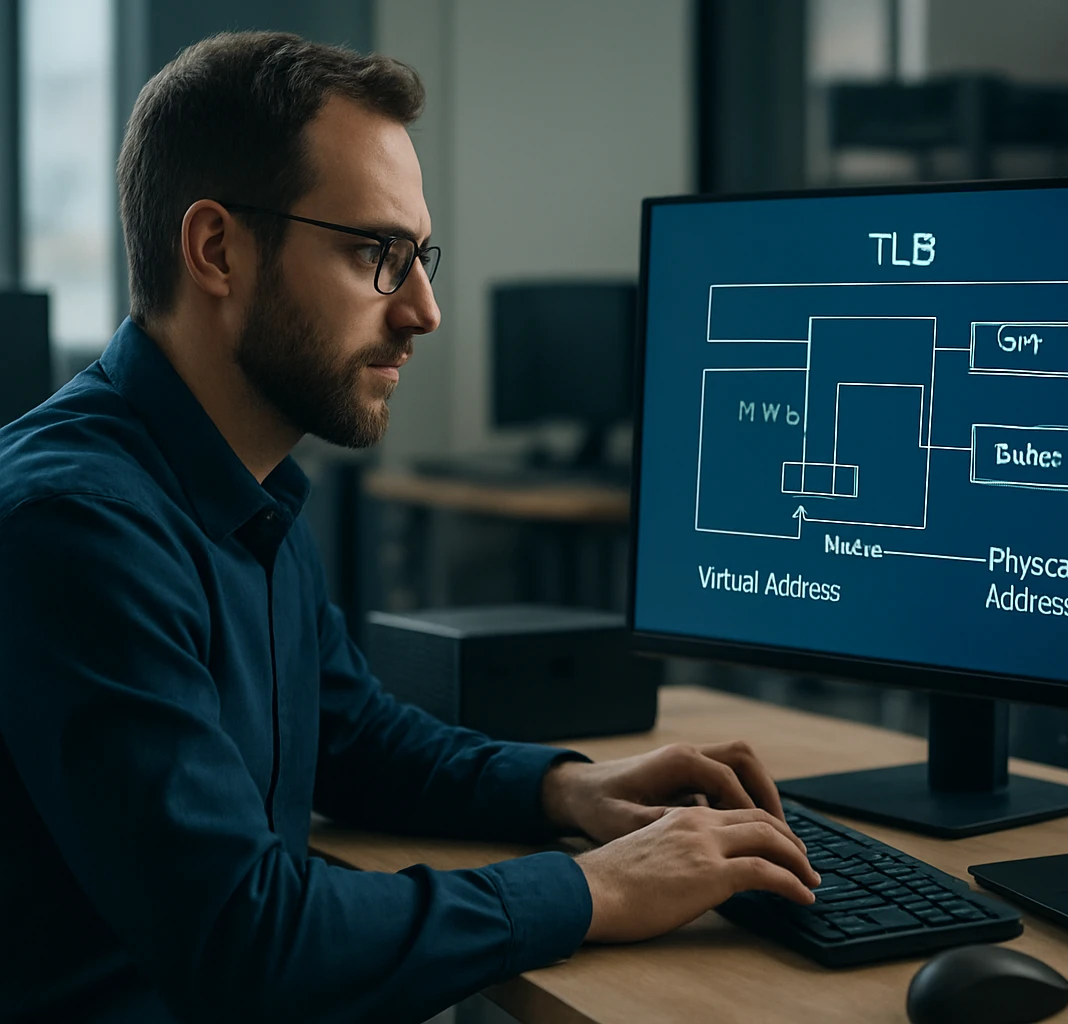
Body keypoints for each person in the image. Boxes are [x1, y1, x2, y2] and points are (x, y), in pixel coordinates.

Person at [0, 32, 818, 1023]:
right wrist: (594, 888)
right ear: (216, 250)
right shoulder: (75, 527)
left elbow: (354, 738)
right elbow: (246, 939)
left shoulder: (243, 486)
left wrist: (569, 790)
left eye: (418, 256)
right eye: (374, 255)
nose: (424, 310)